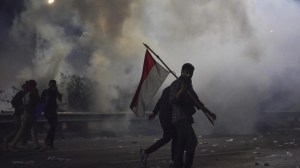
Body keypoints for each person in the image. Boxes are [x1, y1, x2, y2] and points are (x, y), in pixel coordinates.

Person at [169, 63, 216, 168]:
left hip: (186, 118)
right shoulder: (177, 83)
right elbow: (172, 100)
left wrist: (209, 112)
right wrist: (181, 90)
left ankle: (177, 164)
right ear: (182, 71)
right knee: (192, 142)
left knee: (181, 144)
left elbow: (197, 102)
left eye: (191, 73)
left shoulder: (189, 85)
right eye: (188, 72)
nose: (190, 74)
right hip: (179, 118)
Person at [140, 86, 176, 168]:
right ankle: (146, 152)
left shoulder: (168, 89)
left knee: (173, 137)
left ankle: (173, 160)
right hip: (168, 116)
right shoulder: (177, 87)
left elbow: (160, 100)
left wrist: (154, 112)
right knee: (169, 137)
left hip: (165, 115)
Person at [9, 80, 41, 151]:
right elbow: (29, 104)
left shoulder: (27, 93)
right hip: (28, 114)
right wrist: (28, 113)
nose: (35, 86)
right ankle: (12, 144)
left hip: (27, 113)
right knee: (24, 130)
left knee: (32, 130)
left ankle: (36, 145)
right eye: (34, 85)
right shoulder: (29, 94)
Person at [4, 83, 26, 149]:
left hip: (19, 114)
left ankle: (13, 143)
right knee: (18, 129)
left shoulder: (23, 94)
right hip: (18, 114)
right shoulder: (21, 94)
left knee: (20, 129)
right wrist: (19, 107)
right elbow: (13, 102)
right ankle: (7, 139)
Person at [41, 80, 62, 149]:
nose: (53, 85)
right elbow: (42, 101)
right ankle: (48, 141)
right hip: (48, 111)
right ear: (49, 84)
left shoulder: (54, 91)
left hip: (52, 111)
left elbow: (59, 98)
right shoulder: (46, 91)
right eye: (52, 84)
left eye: (54, 84)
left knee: (53, 127)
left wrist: (57, 90)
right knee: (53, 126)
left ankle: (50, 143)